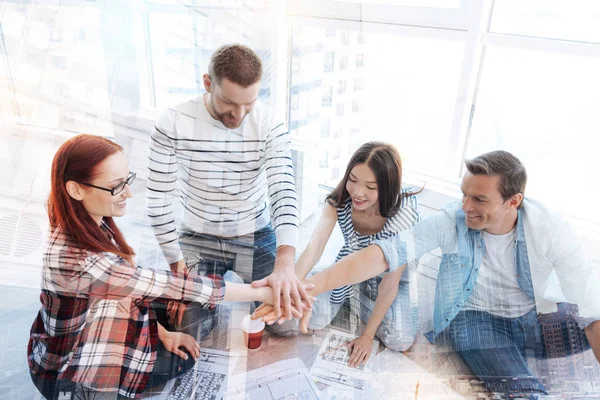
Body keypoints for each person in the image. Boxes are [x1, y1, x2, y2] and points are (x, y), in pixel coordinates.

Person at [255, 150, 600, 396]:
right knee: (518, 386)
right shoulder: (452, 221)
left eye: (479, 200)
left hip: (535, 315)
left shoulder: (550, 229)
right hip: (479, 319)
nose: (466, 206)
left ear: (514, 202)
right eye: (464, 194)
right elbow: (382, 255)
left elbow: (590, 306)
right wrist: (302, 288)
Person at [27, 134, 305, 399]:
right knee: (184, 353)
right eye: (116, 186)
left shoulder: (82, 220)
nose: (128, 194)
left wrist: (164, 333)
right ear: (76, 189)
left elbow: (129, 291)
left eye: (127, 181)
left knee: (174, 319)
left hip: (81, 329)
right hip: (68, 378)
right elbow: (175, 286)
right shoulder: (82, 260)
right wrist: (262, 293)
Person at [147, 44, 310, 331]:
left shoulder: (269, 123)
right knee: (187, 327)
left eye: (249, 103)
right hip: (198, 236)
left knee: (287, 325)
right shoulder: (172, 122)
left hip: (254, 235)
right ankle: (238, 295)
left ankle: (249, 293)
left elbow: (283, 190)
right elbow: (158, 201)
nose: (239, 114)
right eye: (229, 103)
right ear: (207, 83)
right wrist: (176, 263)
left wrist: (285, 261)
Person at [267, 142, 422, 366]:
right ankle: (344, 296)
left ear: (388, 187)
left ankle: (350, 301)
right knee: (303, 321)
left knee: (400, 340)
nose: (358, 192)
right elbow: (314, 248)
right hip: (347, 271)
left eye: (371, 187)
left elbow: (390, 284)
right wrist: (291, 289)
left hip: (389, 281)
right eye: (353, 179)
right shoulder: (340, 200)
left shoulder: (403, 213)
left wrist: (368, 336)